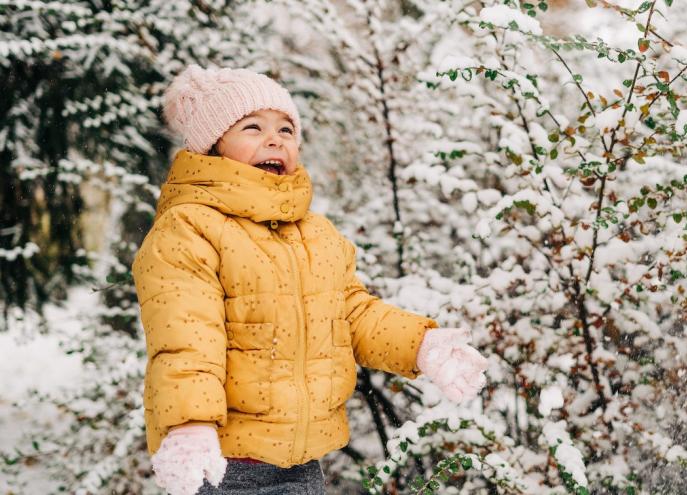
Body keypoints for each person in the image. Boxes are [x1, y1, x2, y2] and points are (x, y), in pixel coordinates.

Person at [130, 64, 489, 495]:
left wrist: (421, 345)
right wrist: (188, 424)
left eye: (286, 128)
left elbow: (354, 313)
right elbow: (185, 337)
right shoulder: (190, 229)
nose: (274, 138)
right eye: (252, 126)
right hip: (220, 464)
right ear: (212, 146)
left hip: (300, 464)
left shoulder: (315, 234)